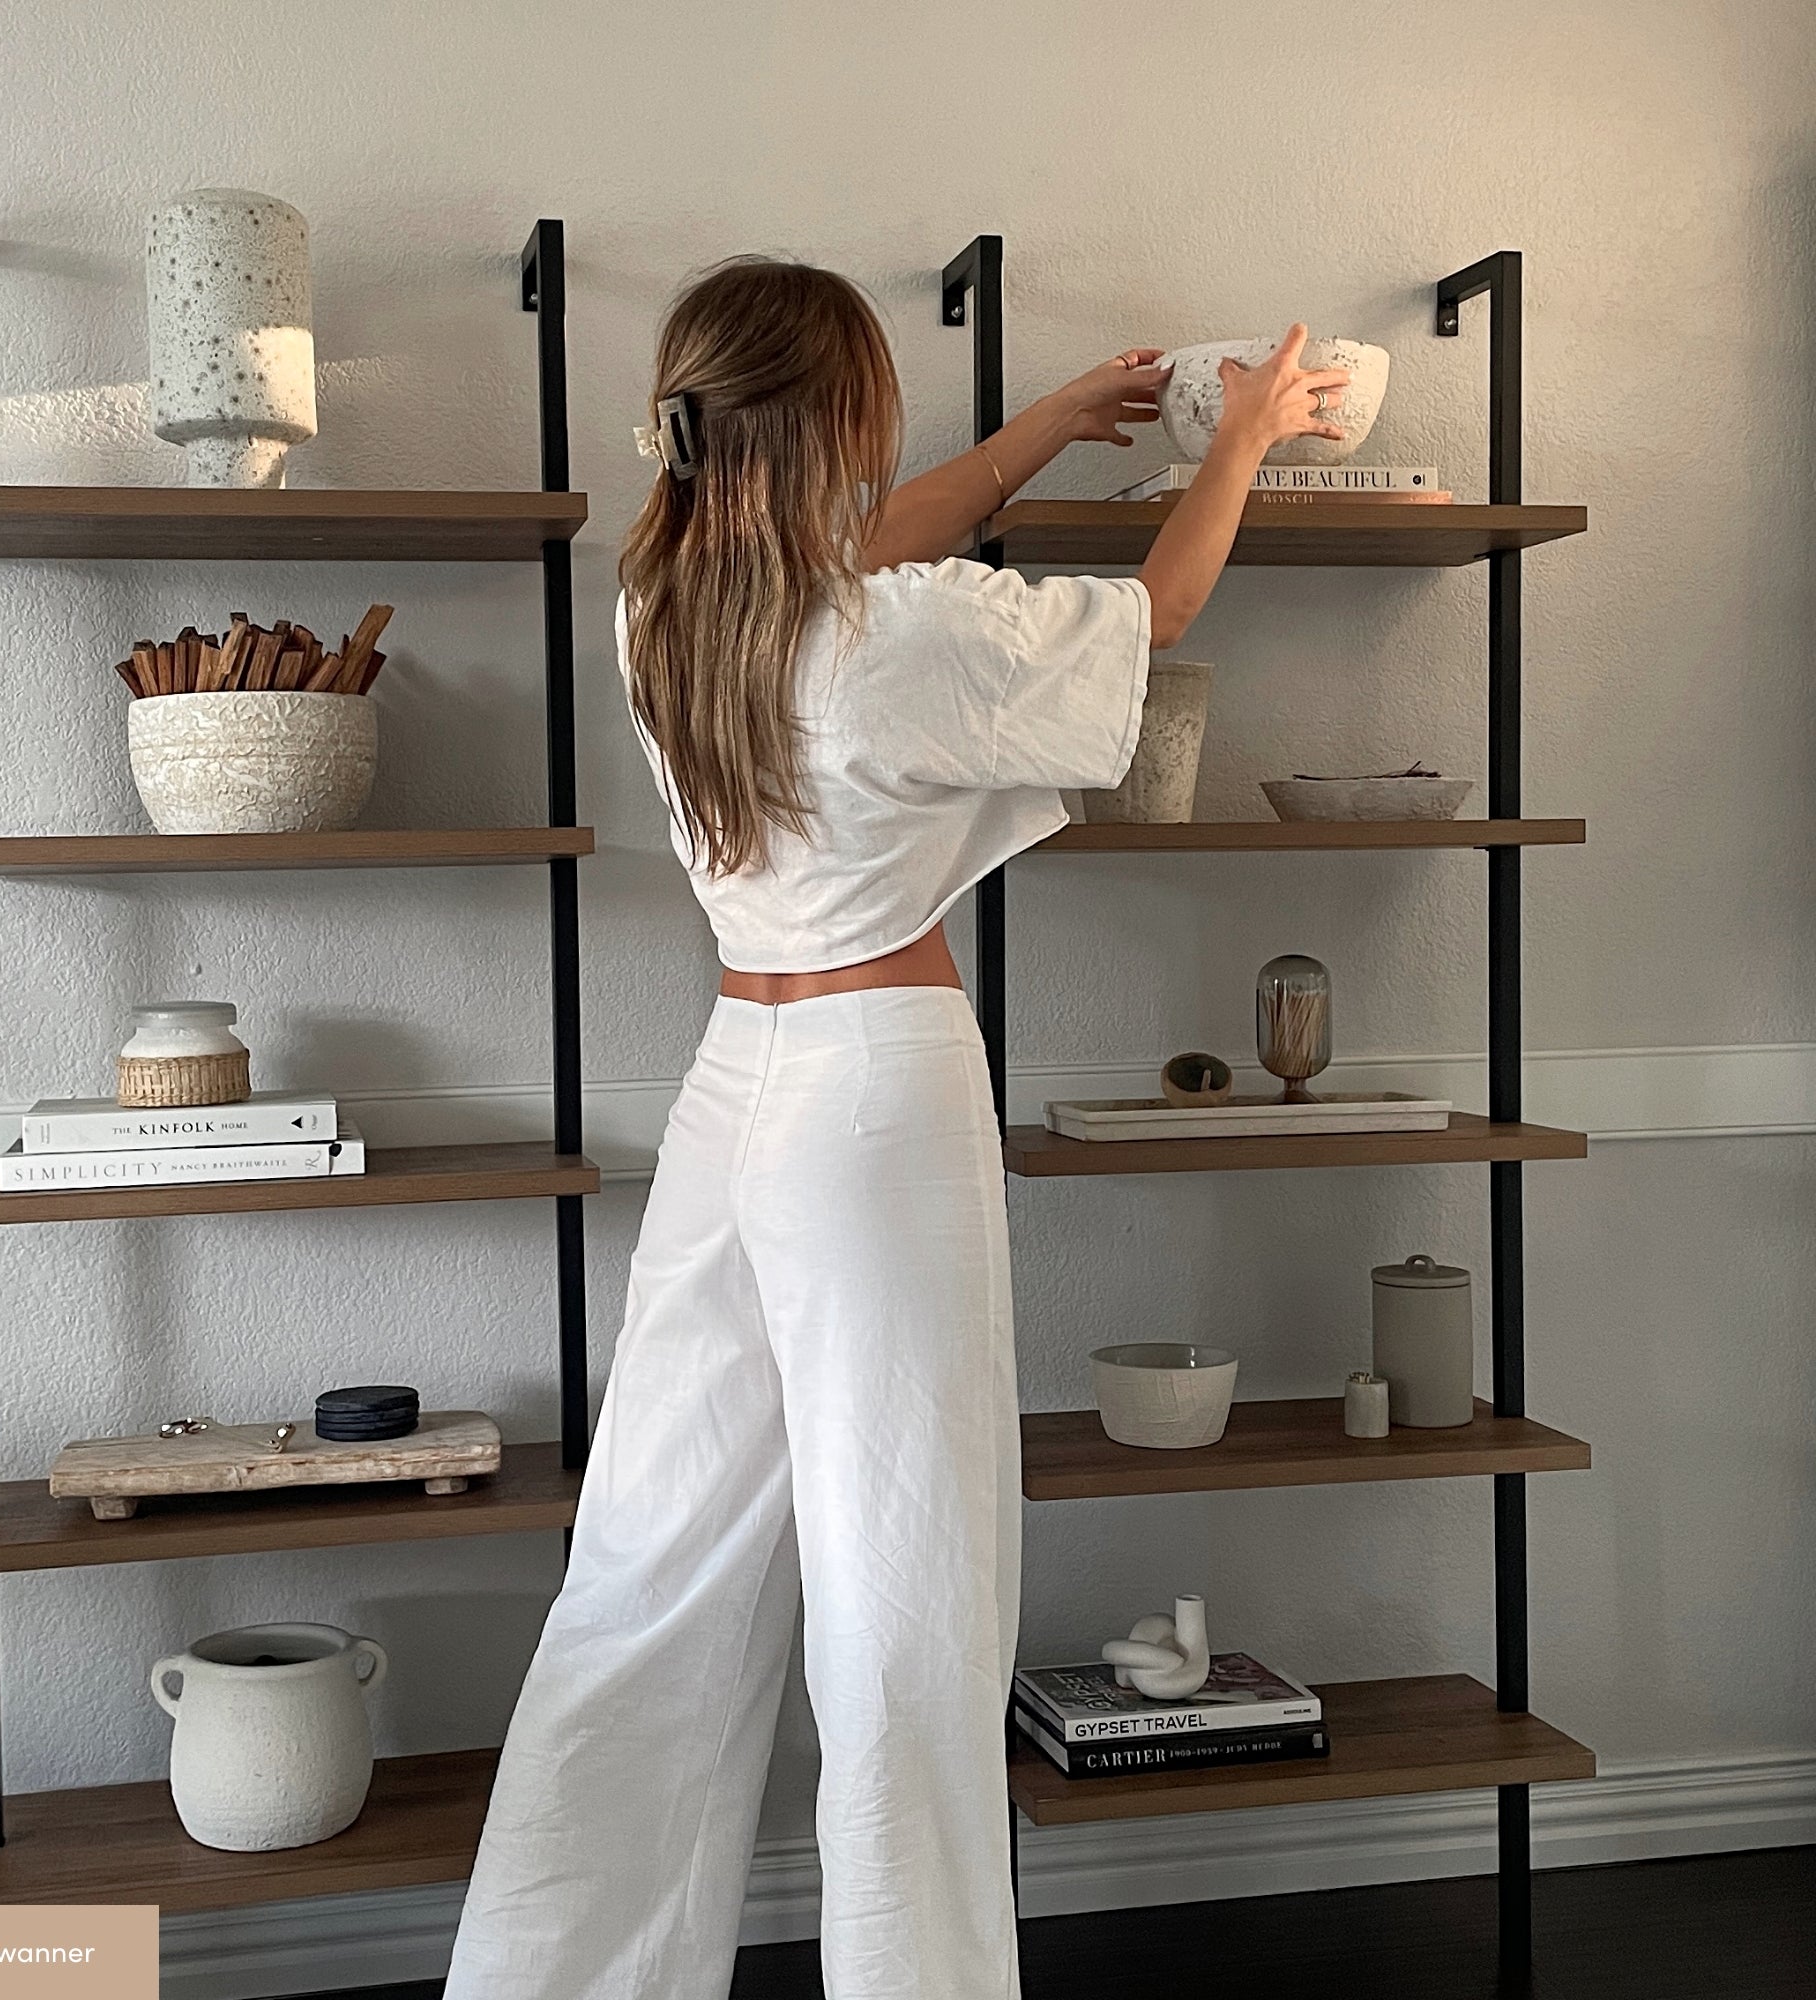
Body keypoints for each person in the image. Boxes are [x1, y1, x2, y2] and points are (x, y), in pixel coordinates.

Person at [445, 259, 1348, 2000]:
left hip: (733, 1095)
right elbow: (1152, 616)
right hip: (874, 1094)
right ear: (836, 425)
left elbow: (846, 551)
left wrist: (1035, 437)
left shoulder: (666, 601)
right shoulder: (894, 637)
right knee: (907, 1598)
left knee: (645, 1579)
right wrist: (1233, 441)